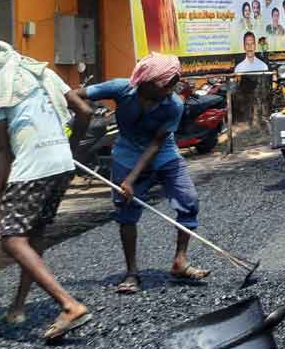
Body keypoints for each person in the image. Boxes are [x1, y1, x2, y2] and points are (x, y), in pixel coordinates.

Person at [0, 41, 94, 341]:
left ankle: (68, 305)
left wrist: (1, 199)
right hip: (61, 165)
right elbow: (84, 111)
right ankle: (17, 307)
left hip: (33, 168)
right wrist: (71, 151)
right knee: (33, 236)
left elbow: (1, 151)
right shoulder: (42, 72)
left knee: (12, 241)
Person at [81, 54, 209, 294]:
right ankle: (132, 273)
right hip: (127, 153)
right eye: (167, 84)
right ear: (148, 82)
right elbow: (77, 95)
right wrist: (79, 114)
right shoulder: (121, 88)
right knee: (126, 211)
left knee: (188, 201)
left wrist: (131, 180)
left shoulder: (174, 105)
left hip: (163, 153)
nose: (172, 89)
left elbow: (156, 144)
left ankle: (180, 261)